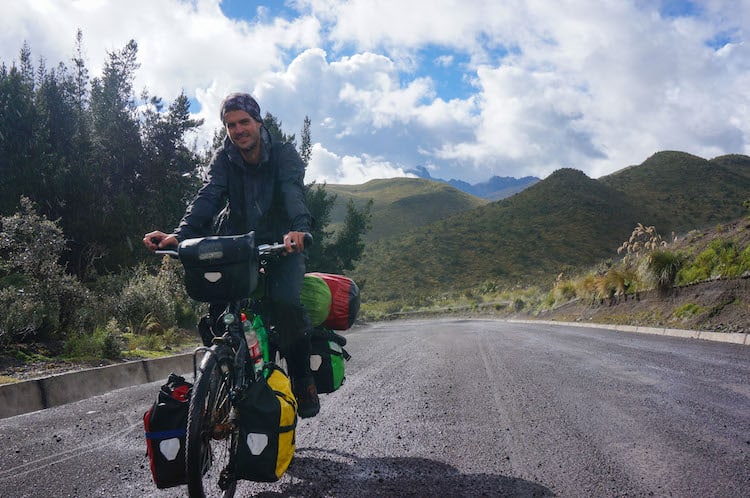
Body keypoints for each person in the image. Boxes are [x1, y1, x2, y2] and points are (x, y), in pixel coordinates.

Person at [143, 92, 319, 418]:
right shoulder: (224, 159)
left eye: (244, 122)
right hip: (238, 245)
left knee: (285, 304)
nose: (238, 130)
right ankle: (223, 376)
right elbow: (208, 196)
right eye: (230, 125)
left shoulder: (283, 154)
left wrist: (298, 230)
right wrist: (179, 236)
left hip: (282, 244)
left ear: (258, 122)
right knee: (219, 312)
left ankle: (301, 378)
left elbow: (293, 193)